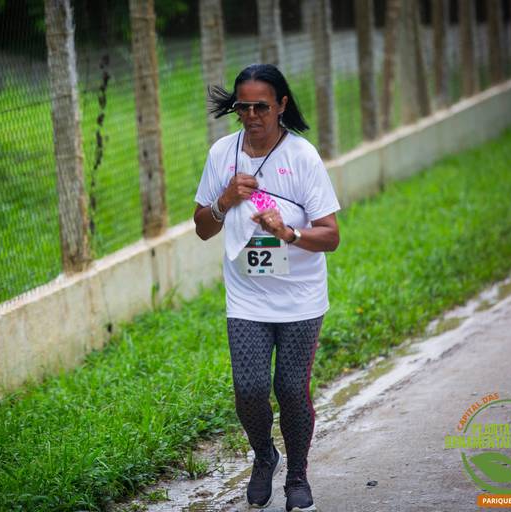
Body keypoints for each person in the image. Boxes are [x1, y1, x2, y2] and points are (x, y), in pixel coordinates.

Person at [193, 63, 341, 512]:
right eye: (244, 107)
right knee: (250, 388)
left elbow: (330, 236)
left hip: (300, 297)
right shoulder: (223, 153)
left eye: (261, 106)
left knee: (291, 389)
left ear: (281, 105)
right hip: (247, 296)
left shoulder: (302, 156)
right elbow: (202, 228)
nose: (252, 115)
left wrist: (288, 233)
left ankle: (297, 476)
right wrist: (224, 201)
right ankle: (264, 456)